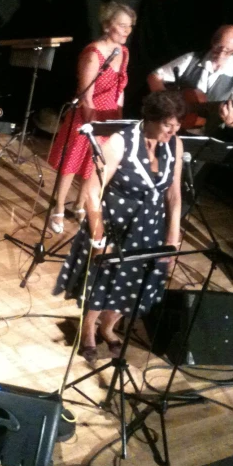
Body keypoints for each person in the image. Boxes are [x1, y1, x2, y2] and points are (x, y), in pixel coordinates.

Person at [54, 91, 185, 364]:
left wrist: (172, 239)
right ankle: (89, 327)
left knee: (135, 284)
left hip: (151, 226)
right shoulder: (119, 142)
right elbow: (91, 191)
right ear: (150, 119)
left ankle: (108, 327)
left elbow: (174, 195)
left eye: (177, 125)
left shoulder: (176, 145)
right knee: (104, 280)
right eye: (167, 125)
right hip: (115, 223)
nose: (173, 131)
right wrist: (100, 238)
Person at [47, 1, 136, 234]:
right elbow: (86, 95)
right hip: (87, 116)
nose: (127, 31)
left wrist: (117, 118)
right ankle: (57, 207)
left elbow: (120, 89)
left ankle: (80, 204)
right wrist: (93, 124)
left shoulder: (124, 52)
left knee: (95, 164)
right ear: (107, 26)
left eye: (130, 27)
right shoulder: (93, 53)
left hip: (109, 116)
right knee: (71, 164)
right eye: (122, 26)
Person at [148, 24, 233, 142]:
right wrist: (167, 106)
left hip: (205, 137)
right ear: (213, 41)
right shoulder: (191, 59)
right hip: (169, 130)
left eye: (228, 51)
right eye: (218, 47)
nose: (221, 54)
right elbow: (154, 77)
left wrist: (230, 120)